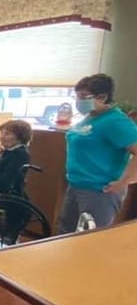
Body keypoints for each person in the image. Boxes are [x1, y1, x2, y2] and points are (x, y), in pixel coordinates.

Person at [57, 73, 137, 234]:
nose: (79, 101)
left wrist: (123, 182)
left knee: (89, 236)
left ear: (102, 97)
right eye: (77, 96)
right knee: (65, 234)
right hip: (76, 184)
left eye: (84, 96)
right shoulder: (90, 117)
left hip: (99, 190)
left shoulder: (115, 121)